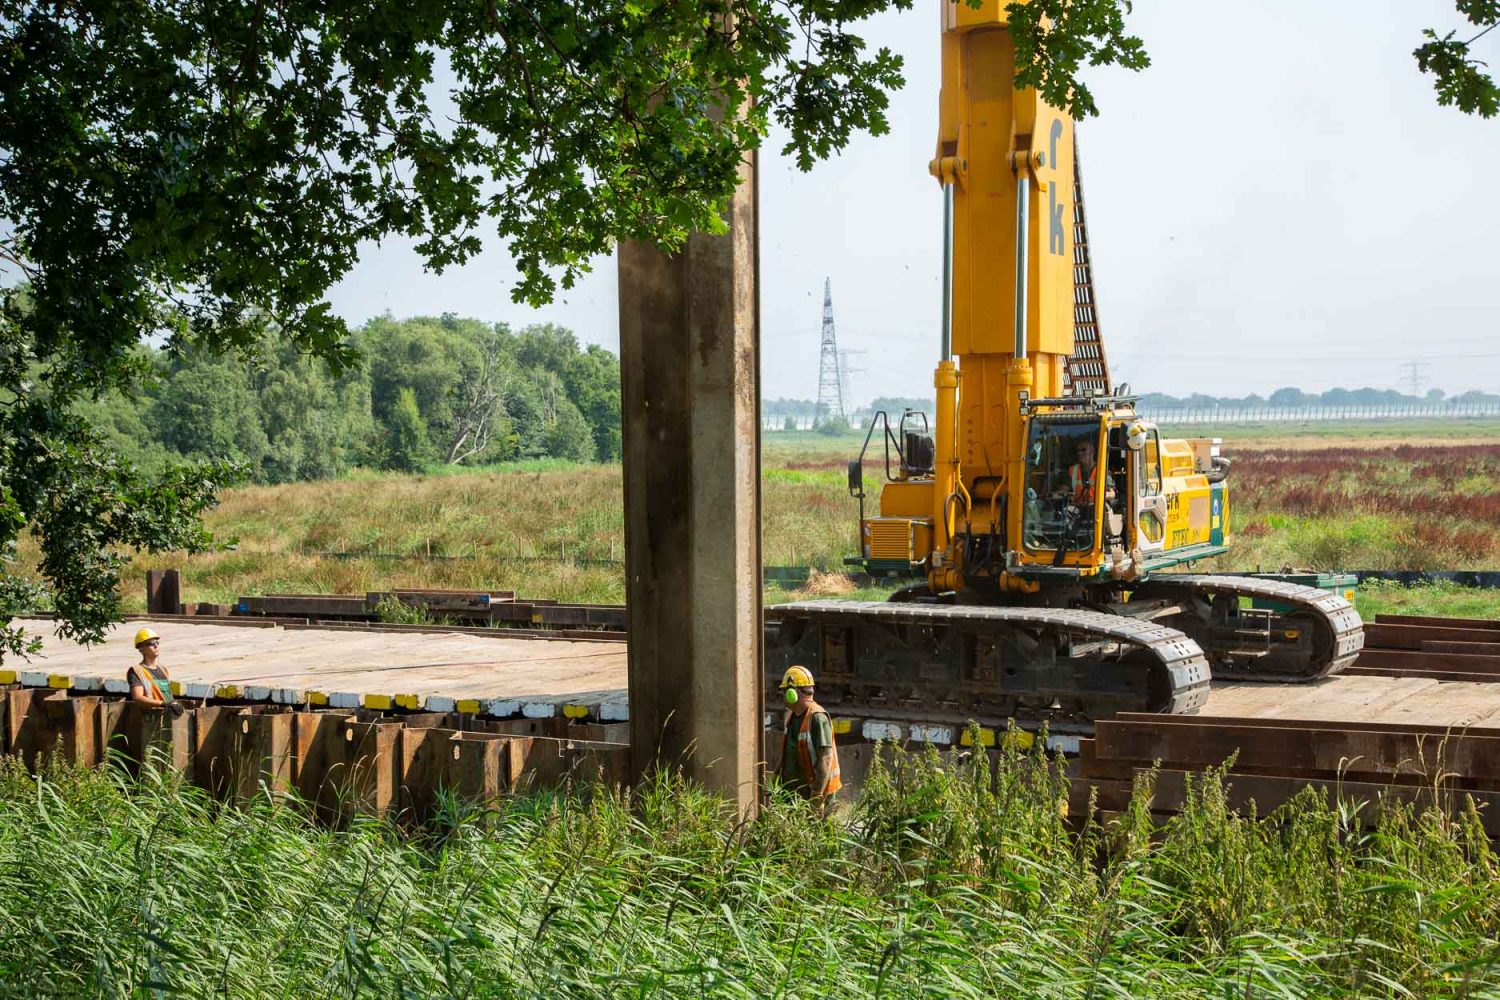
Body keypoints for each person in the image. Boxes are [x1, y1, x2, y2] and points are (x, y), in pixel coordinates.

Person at [777, 665, 842, 812]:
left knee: (821, 833)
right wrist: (776, 776)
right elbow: (789, 752)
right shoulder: (793, 718)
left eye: (784, 691)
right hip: (797, 793)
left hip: (816, 793)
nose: (782, 695)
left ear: (793, 693)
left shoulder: (817, 718)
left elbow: (825, 759)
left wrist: (817, 796)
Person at [127, 627, 177, 711]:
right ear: (141, 649)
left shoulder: (163, 669)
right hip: (150, 718)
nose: (156, 645)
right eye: (151, 643)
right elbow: (138, 697)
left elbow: (167, 695)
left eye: (157, 642)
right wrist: (163, 704)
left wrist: (173, 704)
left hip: (166, 716)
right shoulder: (136, 671)